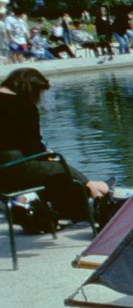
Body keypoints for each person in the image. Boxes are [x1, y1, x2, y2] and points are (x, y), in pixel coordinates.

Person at [0, 67, 113, 231]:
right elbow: (33, 148)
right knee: (62, 169)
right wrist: (48, 155)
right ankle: (99, 194)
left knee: (55, 168)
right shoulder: (23, 107)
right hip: (13, 167)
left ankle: (97, 187)